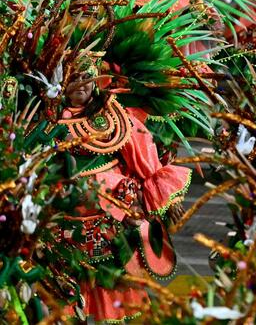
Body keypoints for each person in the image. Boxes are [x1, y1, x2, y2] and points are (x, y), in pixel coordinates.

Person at [52, 50, 190, 322]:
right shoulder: (48, 117)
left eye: (86, 78)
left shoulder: (115, 115)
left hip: (111, 215)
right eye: (73, 79)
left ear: (95, 80)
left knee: (111, 285)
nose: (80, 85)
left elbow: (143, 155)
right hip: (63, 216)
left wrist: (168, 199)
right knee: (63, 285)